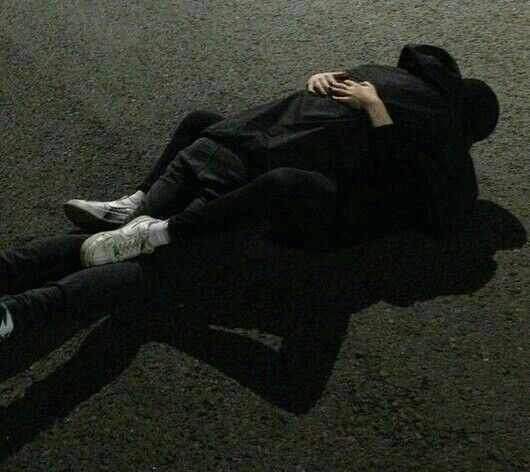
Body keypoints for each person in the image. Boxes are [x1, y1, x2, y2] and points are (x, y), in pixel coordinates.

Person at [0, 44, 500, 345]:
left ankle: (23, 296)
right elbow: (404, 184)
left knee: (140, 251)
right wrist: (334, 87)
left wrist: (373, 107)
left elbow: (405, 183)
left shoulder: (412, 121)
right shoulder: (428, 130)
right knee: (141, 253)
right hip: (261, 171)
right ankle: (25, 298)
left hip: (263, 178)